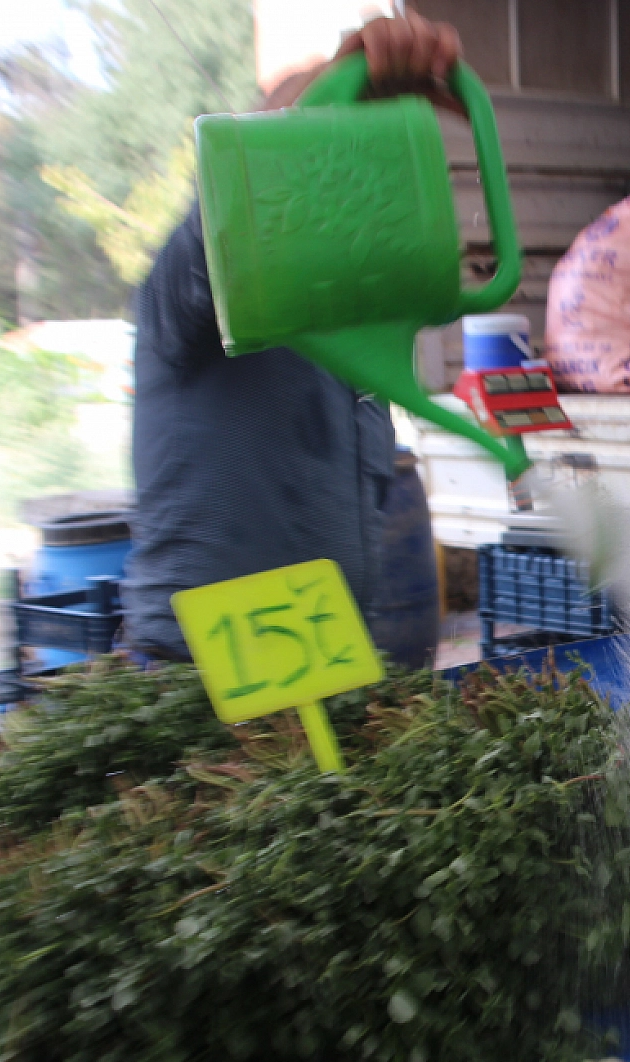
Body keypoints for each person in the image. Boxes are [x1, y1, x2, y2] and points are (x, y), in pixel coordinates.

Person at [122, 6, 461, 665]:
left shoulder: (351, 323)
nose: (325, 173)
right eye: (297, 145)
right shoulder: (196, 281)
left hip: (318, 658)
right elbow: (233, 221)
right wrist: (318, 109)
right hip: (203, 672)